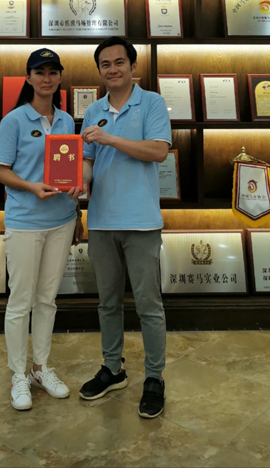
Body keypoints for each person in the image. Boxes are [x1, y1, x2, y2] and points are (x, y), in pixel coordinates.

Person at [78, 37, 171, 419]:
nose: (112, 69)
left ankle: (154, 378)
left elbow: (158, 151)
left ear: (133, 66)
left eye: (119, 62)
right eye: (105, 64)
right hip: (101, 221)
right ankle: (113, 368)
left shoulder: (151, 103)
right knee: (108, 303)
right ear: (99, 70)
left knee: (149, 305)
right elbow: (87, 160)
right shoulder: (93, 110)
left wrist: (110, 138)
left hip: (142, 221)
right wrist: (79, 182)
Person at [0, 48, 84, 411]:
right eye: (40, 72)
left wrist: (76, 204)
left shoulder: (66, 120)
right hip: (25, 222)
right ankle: (18, 374)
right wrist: (31, 187)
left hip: (61, 220)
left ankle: (40, 368)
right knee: (21, 301)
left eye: (53, 72)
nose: (47, 78)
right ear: (29, 78)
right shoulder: (14, 120)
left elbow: (69, 168)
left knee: (47, 299)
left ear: (60, 77)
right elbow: (1, 171)